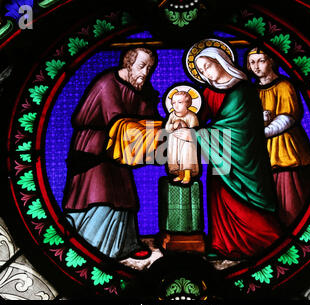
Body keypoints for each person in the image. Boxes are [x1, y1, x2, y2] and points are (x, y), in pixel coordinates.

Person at [175, 40, 283, 259]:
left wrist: (196, 136)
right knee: (219, 196)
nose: (206, 72)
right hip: (220, 158)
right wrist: (183, 124)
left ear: (221, 61)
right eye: (201, 70)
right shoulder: (207, 92)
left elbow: (238, 128)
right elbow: (201, 120)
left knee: (244, 203)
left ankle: (269, 242)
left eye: (208, 66)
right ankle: (222, 245)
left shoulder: (243, 90)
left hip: (245, 158)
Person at [62, 47, 159, 260]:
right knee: (98, 193)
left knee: (124, 195)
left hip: (117, 153)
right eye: (142, 66)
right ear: (128, 64)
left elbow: (147, 120)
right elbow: (117, 121)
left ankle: (124, 246)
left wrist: (152, 107)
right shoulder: (107, 83)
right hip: (94, 150)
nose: (145, 72)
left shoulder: (137, 88)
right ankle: (92, 247)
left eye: (150, 68)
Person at [247, 48, 310, 227]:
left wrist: (263, 131)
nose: (256, 66)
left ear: (271, 61)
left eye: (261, 61)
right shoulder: (251, 90)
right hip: (261, 152)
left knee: (290, 199)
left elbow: (288, 116)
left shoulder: (284, 85)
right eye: (252, 62)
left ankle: (294, 233)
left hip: (286, 149)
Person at [165, 88, 200, 184]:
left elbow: (195, 131)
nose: (175, 105)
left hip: (186, 142)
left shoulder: (192, 116)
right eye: (173, 102)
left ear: (187, 104)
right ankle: (180, 175)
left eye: (179, 102)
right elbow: (167, 127)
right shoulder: (172, 115)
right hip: (174, 141)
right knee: (176, 158)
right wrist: (173, 126)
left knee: (186, 156)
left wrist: (187, 129)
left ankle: (187, 175)